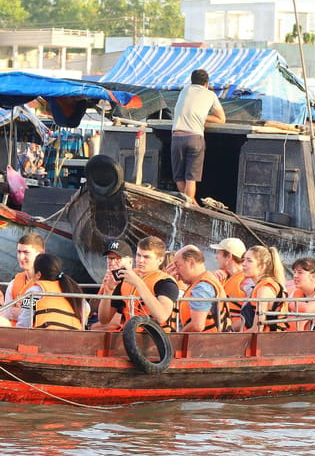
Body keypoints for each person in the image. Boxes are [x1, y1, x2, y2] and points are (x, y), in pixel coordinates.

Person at [96, 236, 179, 331]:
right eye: (139, 255)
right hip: (128, 336)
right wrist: (108, 291)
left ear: (160, 260)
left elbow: (162, 316)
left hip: (157, 338)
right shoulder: (125, 277)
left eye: (146, 257)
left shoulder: (166, 282)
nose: (140, 260)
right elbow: (104, 319)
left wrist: (138, 283)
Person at [170, 69, 226, 205]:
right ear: (206, 83)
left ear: (191, 81)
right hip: (195, 137)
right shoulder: (210, 95)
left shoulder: (184, 91)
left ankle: (189, 205)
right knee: (191, 178)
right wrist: (202, 117)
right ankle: (192, 206)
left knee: (179, 178)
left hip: (177, 137)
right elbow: (221, 119)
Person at [16, 253, 86, 329]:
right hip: (76, 338)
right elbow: (87, 308)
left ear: (38, 274)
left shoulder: (33, 292)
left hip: (46, 338)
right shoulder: (71, 289)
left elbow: (23, 324)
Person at [172, 245, 230, 332]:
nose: (176, 271)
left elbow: (197, 326)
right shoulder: (205, 281)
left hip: (208, 343)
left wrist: (177, 339)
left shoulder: (202, 287)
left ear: (191, 263)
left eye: (178, 266)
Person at [240, 245, 289, 331]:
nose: (243, 264)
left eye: (249, 261)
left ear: (262, 267)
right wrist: (230, 329)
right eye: (243, 260)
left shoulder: (265, 289)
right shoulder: (260, 286)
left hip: (269, 341)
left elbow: (257, 329)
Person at [91, 238, 136, 331]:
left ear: (130, 261)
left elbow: (116, 320)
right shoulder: (110, 279)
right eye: (110, 258)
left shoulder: (127, 283)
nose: (112, 262)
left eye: (118, 259)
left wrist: (89, 327)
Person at [1, 232, 44, 322]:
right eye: (19, 252)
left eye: (26, 252)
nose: (21, 257)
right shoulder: (13, 284)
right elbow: (7, 315)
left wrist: (22, 314)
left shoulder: (48, 284)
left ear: (40, 253)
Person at [210, 237, 247, 330]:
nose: (216, 257)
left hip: (235, 336)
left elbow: (252, 316)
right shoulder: (221, 276)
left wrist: (229, 330)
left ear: (229, 256)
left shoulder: (245, 281)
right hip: (219, 330)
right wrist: (211, 278)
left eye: (219, 253)